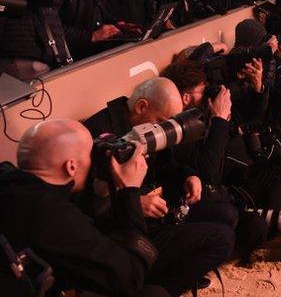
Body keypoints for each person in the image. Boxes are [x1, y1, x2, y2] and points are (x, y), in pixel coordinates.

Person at [0, 119, 164, 295]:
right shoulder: (52, 214)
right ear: (71, 166)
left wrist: (103, 185)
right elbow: (130, 278)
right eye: (89, 155)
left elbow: (85, 231)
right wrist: (129, 190)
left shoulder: (9, 179)